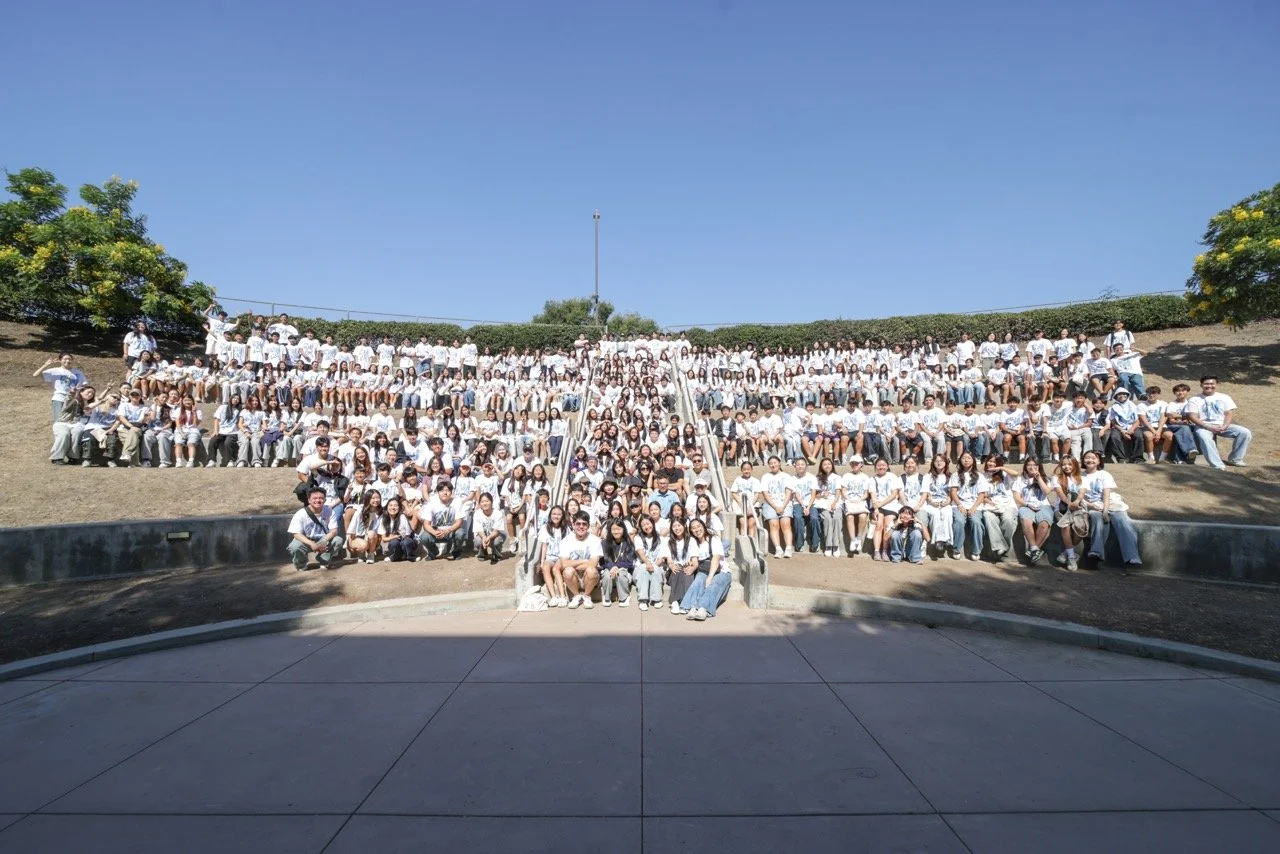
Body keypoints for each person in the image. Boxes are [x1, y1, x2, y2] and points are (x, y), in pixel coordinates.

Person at [1081, 450, 1142, 568]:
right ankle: (1097, 552)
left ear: (1099, 461)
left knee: (1123, 523)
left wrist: (1105, 511)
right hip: (1093, 506)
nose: (1090, 460)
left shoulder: (1104, 474)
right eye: (1087, 458)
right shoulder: (1080, 477)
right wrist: (1092, 506)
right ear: (1083, 460)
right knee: (1095, 517)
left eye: (1093, 458)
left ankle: (1132, 557)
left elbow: (1107, 494)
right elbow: (1080, 497)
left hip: (1111, 504)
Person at [1187, 375, 1251, 469]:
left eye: (1212, 383)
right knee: (1205, 437)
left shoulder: (1224, 397)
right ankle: (1217, 465)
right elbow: (1192, 416)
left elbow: (1228, 413)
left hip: (1221, 425)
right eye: (1206, 384)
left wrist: (1225, 426)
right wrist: (1207, 426)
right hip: (1203, 426)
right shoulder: (1194, 399)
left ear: (1217, 384)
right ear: (1201, 385)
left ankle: (1235, 459)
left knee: (1245, 432)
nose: (1209, 386)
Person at [678, 517, 731, 620]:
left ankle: (703, 608)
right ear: (691, 531)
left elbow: (716, 557)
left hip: (720, 571)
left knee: (714, 583)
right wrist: (692, 568)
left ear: (703, 526)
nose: (697, 530)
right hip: (704, 569)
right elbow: (694, 560)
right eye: (693, 528)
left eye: (699, 526)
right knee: (698, 581)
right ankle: (690, 607)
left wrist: (710, 576)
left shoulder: (713, 538)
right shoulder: (693, 542)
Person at [1013, 457, 1057, 564]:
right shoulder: (1020, 479)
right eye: (1029, 465)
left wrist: (1039, 478)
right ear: (1025, 466)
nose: (1032, 467)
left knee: (1044, 524)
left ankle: (1033, 549)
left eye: (1035, 465)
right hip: (1026, 505)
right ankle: (1035, 549)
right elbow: (1017, 497)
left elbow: (1046, 491)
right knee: (1027, 521)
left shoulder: (1047, 479)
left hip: (1044, 505)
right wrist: (1027, 505)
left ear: (1039, 466)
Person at [287, 487, 344, 570]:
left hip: (323, 540)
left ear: (325, 500)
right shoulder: (300, 514)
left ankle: (324, 560)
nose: (318, 500)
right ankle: (301, 564)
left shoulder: (330, 511)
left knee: (338, 540)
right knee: (295, 546)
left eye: (321, 498)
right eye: (315, 498)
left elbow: (334, 531)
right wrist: (311, 543)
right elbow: (296, 534)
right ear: (309, 500)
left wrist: (323, 541)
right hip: (306, 541)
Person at [559, 511, 603, 609]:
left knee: (591, 571)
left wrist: (571, 563)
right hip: (574, 576)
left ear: (588, 526)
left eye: (584, 524)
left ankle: (587, 596)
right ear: (573, 525)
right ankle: (576, 596)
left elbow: (593, 564)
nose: (581, 526)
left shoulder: (595, 540)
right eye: (578, 524)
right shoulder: (566, 541)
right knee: (568, 571)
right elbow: (564, 565)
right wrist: (585, 561)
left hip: (590, 577)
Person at [1053, 456, 1087, 572]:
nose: (1066, 467)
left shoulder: (1081, 478)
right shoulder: (1056, 478)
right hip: (1062, 508)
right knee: (1065, 527)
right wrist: (1069, 503)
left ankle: (1066, 552)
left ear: (1074, 465)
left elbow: (1081, 493)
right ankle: (1072, 557)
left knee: (1081, 529)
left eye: (1069, 464)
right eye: (1064, 464)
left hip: (1078, 507)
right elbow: (1059, 492)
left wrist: (1076, 502)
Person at [418, 481, 467, 559]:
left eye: (447, 490)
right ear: (438, 492)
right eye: (442, 491)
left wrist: (447, 531)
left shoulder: (457, 502)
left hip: (451, 531)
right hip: (436, 531)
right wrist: (434, 532)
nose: (445, 493)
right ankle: (433, 552)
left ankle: (456, 552)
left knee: (460, 533)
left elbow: (459, 522)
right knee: (424, 537)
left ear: (451, 492)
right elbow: (426, 524)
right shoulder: (431, 503)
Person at [35, 353, 86, 420]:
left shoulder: (78, 373)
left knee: (70, 419)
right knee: (58, 419)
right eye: (65, 359)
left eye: (69, 359)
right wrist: (46, 365)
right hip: (59, 398)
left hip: (73, 400)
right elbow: (35, 375)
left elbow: (84, 385)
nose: (67, 361)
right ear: (60, 360)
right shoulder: (55, 371)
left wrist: (78, 391)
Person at [632, 514, 666, 611]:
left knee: (654, 568)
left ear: (653, 523)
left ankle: (656, 599)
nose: (647, 527)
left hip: (656, 570)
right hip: (640, 570)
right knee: (643, 567)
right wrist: (648, 563)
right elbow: (641, 554)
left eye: (648, 523)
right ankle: (643, 599)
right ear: (641, 527)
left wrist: (653, 565)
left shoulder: (661, 538)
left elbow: (661, 558)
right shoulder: (638, 538)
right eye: (643, 525)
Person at [537, 505, 569, 606]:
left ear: (562, 516)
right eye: (554, 514)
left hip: (561, 557)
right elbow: (544, 545)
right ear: (550, 515)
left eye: (559, 514)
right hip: (550, 557)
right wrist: (542, 561)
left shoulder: (566, 528)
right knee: (546, 568)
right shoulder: (545, 528)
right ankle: (554, 596)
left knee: (555, 569)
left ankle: (563, 596)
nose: (556, 516)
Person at [599, 520, 636, 606]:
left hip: (624, 571)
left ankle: (624, 598)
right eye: (613, 529)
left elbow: (629, 563)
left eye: (619, 529)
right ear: (610, 530)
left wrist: (616, 567)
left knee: (621, 573)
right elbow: (602, 561)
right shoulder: (604, 543)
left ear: (624, 530)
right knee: (607, 574)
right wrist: (612, 567)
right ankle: (606, 597)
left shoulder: (629, 543)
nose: (616, 532)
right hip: (609, 570)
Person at [346, 490, 384, 564]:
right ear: (368, 499)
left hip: (373, 538)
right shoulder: (360, 511)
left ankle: (371, 554)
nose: (376, 500)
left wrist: (377, 545)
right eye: (373, 498)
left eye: (378, 498)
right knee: (363, 545)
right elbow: (352, 529)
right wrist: (350, 544)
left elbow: (380, 532)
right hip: (358, 537)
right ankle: (361, 554)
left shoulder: (381, 512)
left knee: (371, 533)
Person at [378, 496, 418, 561]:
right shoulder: (383, 519)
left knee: (405, 542)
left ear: (399, 508)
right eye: (390, 505)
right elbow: (384, 539)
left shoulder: (402, 517)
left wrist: (396, 536)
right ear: (387, 507)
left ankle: (412, 557)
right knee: (394, 542)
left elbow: (408, 534)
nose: (393, 508)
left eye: (396, 506)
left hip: (407, 540)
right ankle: (394, 557)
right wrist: (393, 537)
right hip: (396, 540)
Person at [471, 492, 507, 564]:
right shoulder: (477, 513)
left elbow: (496, 531)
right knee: (477, 541)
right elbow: (479, 529)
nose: (485, 503)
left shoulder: (498, 513)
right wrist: (484, 538)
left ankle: (496, 554)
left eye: (487, 501)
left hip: (496, 535)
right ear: (479, 504)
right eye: (482, 502)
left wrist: (488, 538)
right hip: (484, 535)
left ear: (491, 502)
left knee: (496, 541)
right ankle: (483, 552)